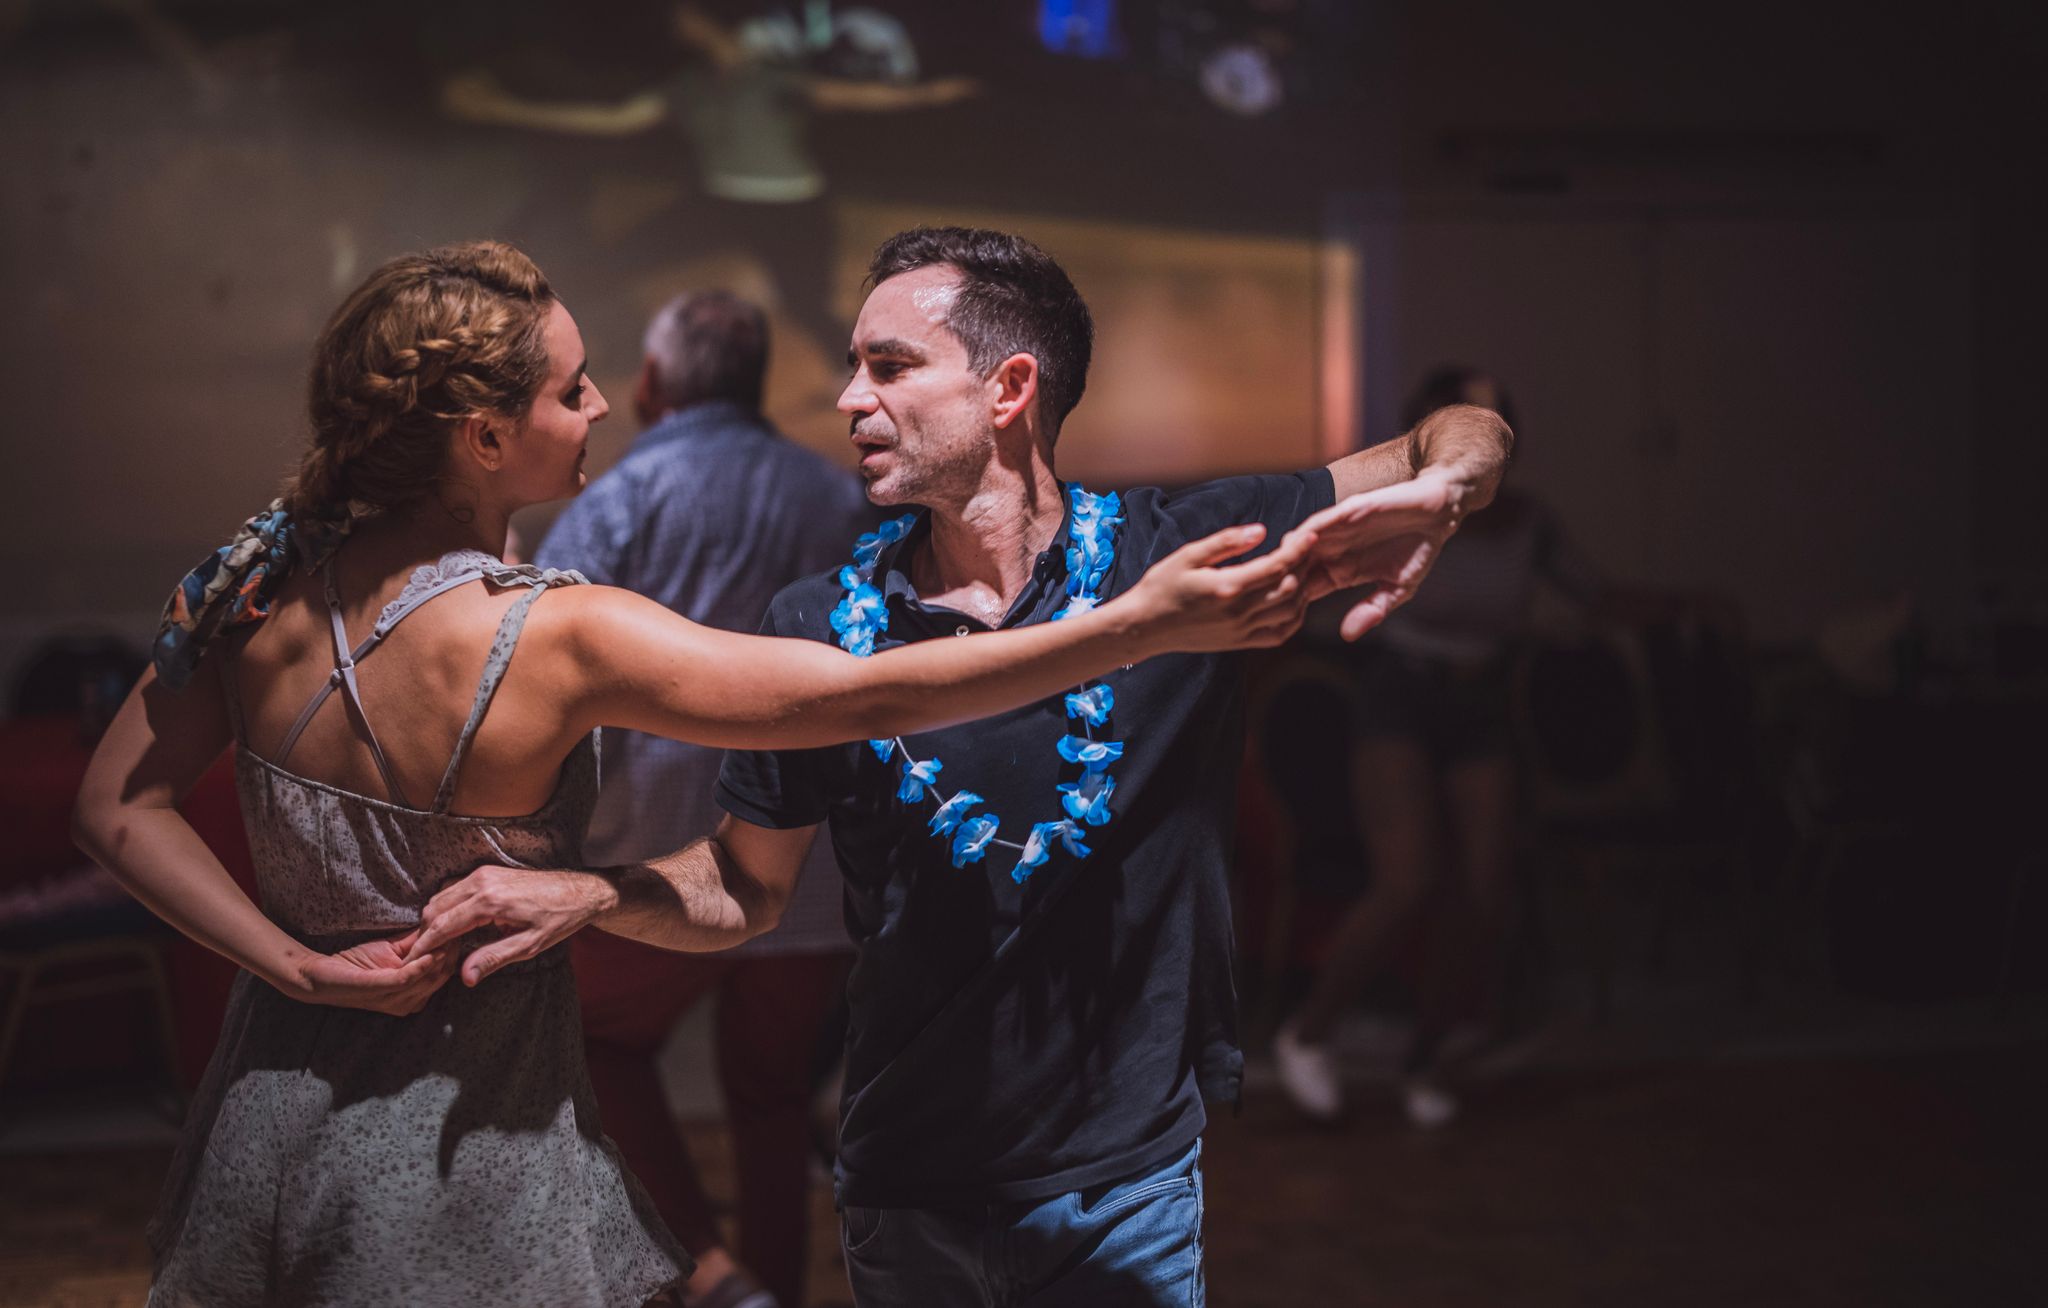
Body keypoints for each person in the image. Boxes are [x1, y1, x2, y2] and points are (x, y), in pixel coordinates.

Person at [70, 239, 1323, 1308]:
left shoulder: (246, 583)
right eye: (572, 391)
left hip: (272, 1097)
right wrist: (1139, 624)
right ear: (485, 434)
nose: (607, 406)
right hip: (471, 1117)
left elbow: (115, 806)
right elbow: (869, 687)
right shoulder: (545, 630)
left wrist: (290, 966)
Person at [413, 227, 1512, 1305]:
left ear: (1008, 389)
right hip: (906, 1189)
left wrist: (1444, 494)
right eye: (853, 367)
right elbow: (746, 888)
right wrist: (593, 895)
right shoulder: (818, 628)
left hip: (1122, 1186)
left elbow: (1456, 430)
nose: (848, 398)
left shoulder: (1179, 558)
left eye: (888, 366)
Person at [535, 290, 870, 1308]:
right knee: (771, 1097)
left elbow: (538, 671)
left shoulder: (620, 498)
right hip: (808, 865)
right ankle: (764, 1284)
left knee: (596, 1043)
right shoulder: (835, 495)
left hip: (658, 860)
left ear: (651, 383)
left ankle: (704, 1272)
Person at [1273, 365, 1602, 1130]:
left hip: (1483, 700)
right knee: (1409, 879)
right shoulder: (1400, 508)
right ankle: (1309, 1031)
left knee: (1486, 888)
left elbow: (1595, 593)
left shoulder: (1530, 521)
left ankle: (1429, 1052)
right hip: (1400, 690)